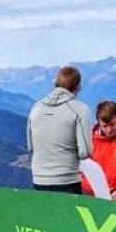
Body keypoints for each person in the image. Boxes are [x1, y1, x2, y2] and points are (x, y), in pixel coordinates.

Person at [27, 66, 91, 194]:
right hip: (67, 179)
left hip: (39, 178)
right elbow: (84, 152)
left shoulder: (36, 107)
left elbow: (30, 146)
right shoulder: (80, 109)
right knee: (67, 214)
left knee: (46, 214)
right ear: (77, 87)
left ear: (55, 84)